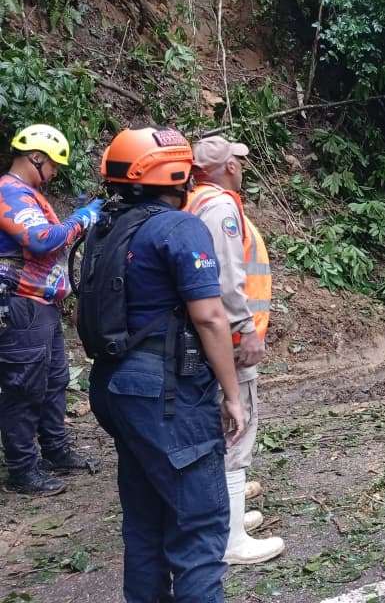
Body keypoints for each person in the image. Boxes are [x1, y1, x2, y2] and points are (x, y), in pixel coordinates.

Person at [78, 127, 245, 603]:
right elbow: (210, 317)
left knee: (146, 523)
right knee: (198, 525)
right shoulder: (178, 227)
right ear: (175, 173)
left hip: (114, 384)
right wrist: (232, 395)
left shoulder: (105, 229)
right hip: (165, 393)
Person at [186, 135, 284, 565]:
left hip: (212, 340)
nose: (242, 167)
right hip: (230, 341)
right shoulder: (222, 208)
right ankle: (230, 540)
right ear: (226, 167)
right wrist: (246, 332)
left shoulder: (192, 202)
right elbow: (227, 283)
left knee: (220, 429)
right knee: (235, 430)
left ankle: (225, 519)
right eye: (237, 161)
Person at [0, 124, 103, 496]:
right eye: (54, 164)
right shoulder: (9, 193)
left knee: (54, 381)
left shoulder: (29, 194)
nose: (56, 172)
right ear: (36, 158)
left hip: (41, 305)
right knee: (24, 389)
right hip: (20, 305)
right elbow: (41, 240)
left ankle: (56, 451)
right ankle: (23, 471)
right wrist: (82, 218)